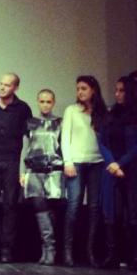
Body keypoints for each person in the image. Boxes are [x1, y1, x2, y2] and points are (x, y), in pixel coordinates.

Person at [0, 73, 33, 263]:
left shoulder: (23, 108)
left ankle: (6, 250)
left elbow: (28, 139)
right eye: (1, 84)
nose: (2, 87)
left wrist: (24, 169)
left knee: (10, 205)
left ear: (15, 88)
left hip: (13, 161)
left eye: (7, 85)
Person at [61, 75, 107, 267]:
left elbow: (106, 139)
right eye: (78, 88)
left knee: (95, 207)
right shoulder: (71, 110)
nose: (80, 92)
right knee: (74, 205)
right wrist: (68, 162)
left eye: (84, 88)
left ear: (93, 90)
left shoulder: (102, 111)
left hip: (97, 163)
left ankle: (90, 252)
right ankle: (68, 252)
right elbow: (65, 137)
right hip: (76, 163)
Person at [19, 89, 64, 266]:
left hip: (54, 171)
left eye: (48, 101)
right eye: (42, 101)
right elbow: (25, 147)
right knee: (40, 209)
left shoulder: (60, 123)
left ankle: (50, 249)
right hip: (34, 171)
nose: (45, 105)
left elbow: (63, 148)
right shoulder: (30, 122)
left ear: (53, 102)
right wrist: (22, 171)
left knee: (51, 211)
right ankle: (48, 247)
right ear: (38, 102)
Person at [97, 77, 137, 269]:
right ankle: (113, 255)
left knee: (133, 214)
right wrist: (112, 163)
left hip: (132, 170)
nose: (117, 94)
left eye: (122, 90)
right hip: (111, 170)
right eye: (116, 90)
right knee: (111, 213)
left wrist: (120, 163)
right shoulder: (110, 115)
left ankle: (133, 257)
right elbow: (102, 142)